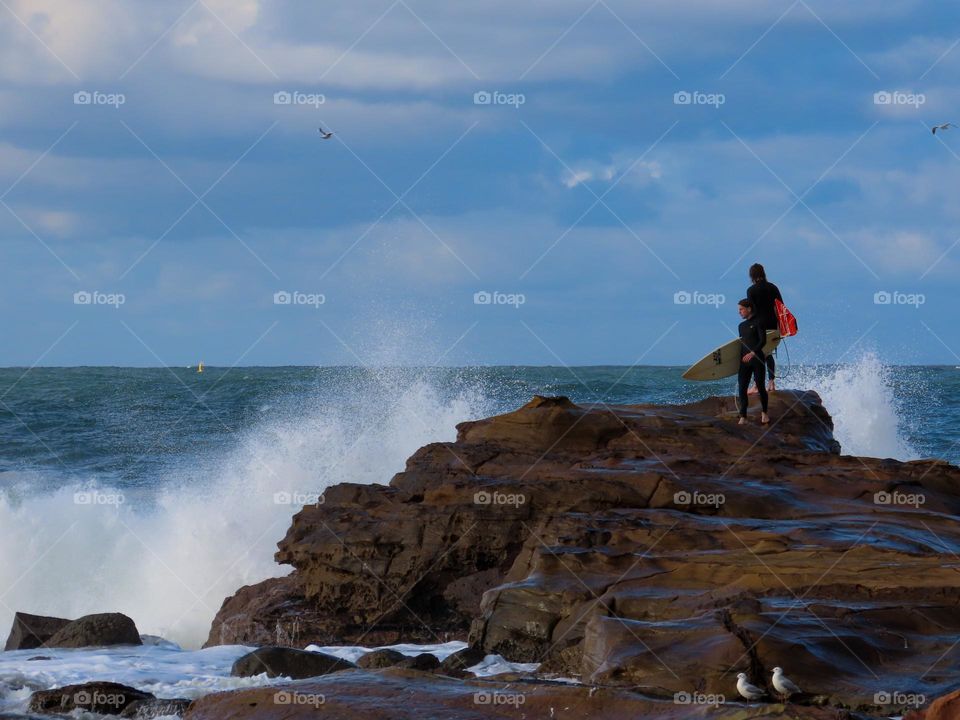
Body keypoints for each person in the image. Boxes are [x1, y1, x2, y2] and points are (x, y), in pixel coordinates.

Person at [746, 263, 783, 392]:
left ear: (752, 275)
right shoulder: (773, 288)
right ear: (763, 273)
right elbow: (780, 307)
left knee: (758, 354)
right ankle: (772, 383)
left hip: (758, 325)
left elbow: (750, 310)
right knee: (768, 353)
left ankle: (757, 385)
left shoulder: (751, 290)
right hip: (773, 324)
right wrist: (781, 326)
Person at [736, 298, 769, 426]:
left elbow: (763, 341)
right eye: (739, 310)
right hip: (744, 360)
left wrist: (753, 352)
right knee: (742, 388)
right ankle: (743, 416)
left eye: (741, 309)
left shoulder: (759, 322)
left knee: (760, 386)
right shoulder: (741, 326)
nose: (739, 312)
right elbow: (741, 344)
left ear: (749, 309)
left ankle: (764, 413)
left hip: (757, 359)